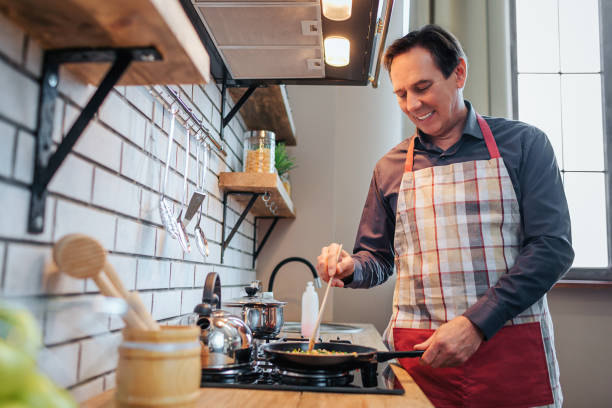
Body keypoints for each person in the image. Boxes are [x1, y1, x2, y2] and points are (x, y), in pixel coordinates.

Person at [316, 24, 573, 407]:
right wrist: (351, 267)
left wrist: (475, 323)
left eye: (422, 87)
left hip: (508, 353)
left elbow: (552, 248)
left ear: (459, 74)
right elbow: (379, 259)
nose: (411, 105)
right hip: (420, 359)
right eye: (401, 94)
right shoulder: (388, 168)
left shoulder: (525, 145)